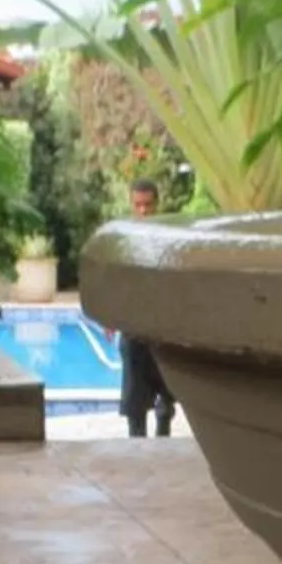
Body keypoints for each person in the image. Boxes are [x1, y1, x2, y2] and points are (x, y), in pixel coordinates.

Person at [118, 179, 176, 439]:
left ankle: (164, 432)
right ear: (131, 204)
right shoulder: (123, 239)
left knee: (167, 387)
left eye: (148, 205)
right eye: (138, 205)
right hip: (133, 327)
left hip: (163, 326)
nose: (143, 211)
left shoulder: (170, 238)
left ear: (157, 205)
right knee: (134, 393)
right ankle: (136, 440)